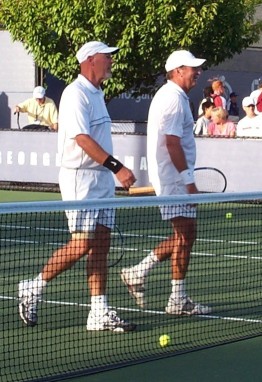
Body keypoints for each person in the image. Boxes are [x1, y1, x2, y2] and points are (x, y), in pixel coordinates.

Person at [18, 41, 137, 332]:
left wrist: (109, 172)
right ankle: (32, 287)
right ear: (90, 60)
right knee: (82, 243)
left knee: (102, 243)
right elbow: (82, 139)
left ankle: (98, 311)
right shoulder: (75, 94)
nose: (111, 60)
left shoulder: (98, 93)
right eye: (106, 56)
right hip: (79, 178)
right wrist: (118, 167)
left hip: (101, 180)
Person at [121, 50, 211, 316]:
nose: (198, 72)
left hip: (172, 178)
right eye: (193, 68)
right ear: (178, 71)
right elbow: (171, 143)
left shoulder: (174, 97)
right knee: (186, 234)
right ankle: (175, 299)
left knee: (185, 234)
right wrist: (189, 181)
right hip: (174, 179)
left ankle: (140, 273)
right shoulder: (173, 99)